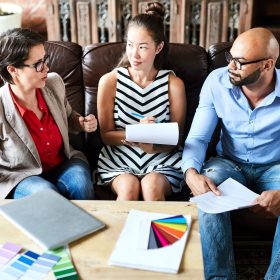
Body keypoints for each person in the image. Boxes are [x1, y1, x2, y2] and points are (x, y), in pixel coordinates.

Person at [181, 27, 280, 279]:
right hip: (228, 163)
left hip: (275, 166)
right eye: (230, 58)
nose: (231, 67)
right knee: (207, 191)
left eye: (240, 62)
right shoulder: (216, 81)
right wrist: (190, 172)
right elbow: (199, 137)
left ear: (268, 65)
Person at [96, 2, 186, 201]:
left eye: (143, 47)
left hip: (162, 158)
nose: (134, 54)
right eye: (130, 45)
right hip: (119, 158)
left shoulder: (173, 84)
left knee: (152, 187)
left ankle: (158, 233)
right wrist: (138, 134)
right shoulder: (110, 81)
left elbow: (177, 137)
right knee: (128, 188)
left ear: (159, 47)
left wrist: (153, 145)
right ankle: (121, 233)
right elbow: (106, 135)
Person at [0, 28, 97, 200]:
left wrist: (80, 123)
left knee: (80, 182)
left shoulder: (54, 83)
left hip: (63, 162)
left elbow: (69, 116)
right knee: (46, 194)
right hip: (22, 175)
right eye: (38, 64)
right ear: (13, 70)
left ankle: (89, 227)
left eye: (45, 59)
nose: (46, 67)